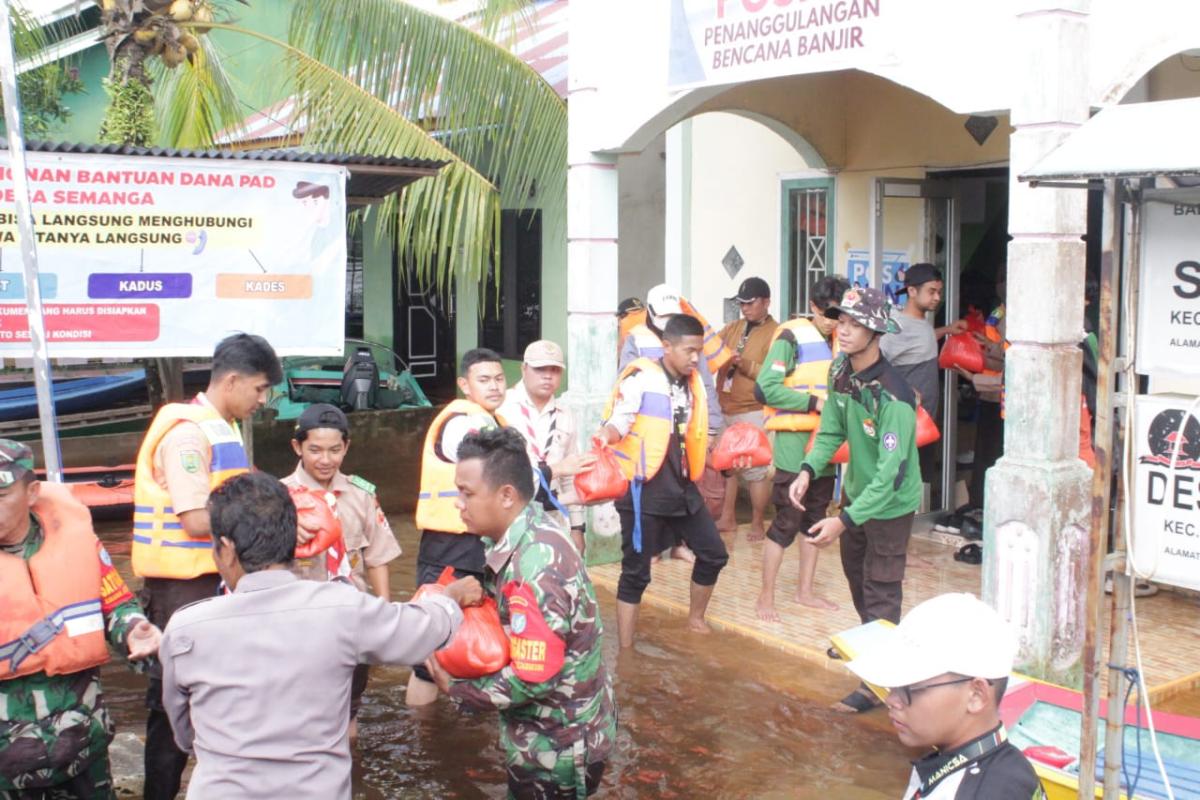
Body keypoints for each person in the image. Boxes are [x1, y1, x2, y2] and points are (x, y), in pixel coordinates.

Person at [159, 472, 476, 800]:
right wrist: (450, 598)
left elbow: (184, 732)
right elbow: (423, 629)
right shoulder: (341, 609)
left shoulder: (185, 630)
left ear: (226, 549)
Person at [425, 428, 617, 799]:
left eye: (467, 493)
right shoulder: (529, 531)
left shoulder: (535, 568)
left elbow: (535, 679)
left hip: (556, 749)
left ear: (506, 495)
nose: (458, 504)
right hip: (560, 731)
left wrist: (459, 690)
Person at [131, 332, 280, 800]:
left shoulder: (221, 427)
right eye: (259, 388)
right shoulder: (187, 434)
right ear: (231, 380)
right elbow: (195, 518)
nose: (263, 399)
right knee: (170, 706)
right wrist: (261, 516)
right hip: (182, 591)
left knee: (224, 696)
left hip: (218, 584)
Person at [0, 440, 161, 800]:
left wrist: (134, 630)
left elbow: (116, 604)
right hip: (7, 764)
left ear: (32, 493)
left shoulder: (75, 541)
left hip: (82, 745)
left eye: (1, 495)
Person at [788, 287, 921, 713]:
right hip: (857, 496)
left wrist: (843, 520)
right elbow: (831, 429)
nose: (842, 330)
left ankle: (878, 686)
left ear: (876, 332)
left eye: (854, 324)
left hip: (890, 506)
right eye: (840, 321)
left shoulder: (894, 397)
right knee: (859, 582)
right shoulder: (841, 370)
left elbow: (892, 474)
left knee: (881, 589)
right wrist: (808, 470)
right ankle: (875, 653)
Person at [599, 313, 730, 647]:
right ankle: (626, 650)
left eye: (699, 351)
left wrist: (727, 459)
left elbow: (696, 438)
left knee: (714, 554)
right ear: (667, 346)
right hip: (643, 492)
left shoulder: (694, 385)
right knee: (636, 573)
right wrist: (605, 435)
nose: (696, 358)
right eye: (689, 351)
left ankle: (696, 619)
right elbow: (619, 421)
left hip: (683, 490)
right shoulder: (642, 378)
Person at [281, 402, 403, 743]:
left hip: (352, 618)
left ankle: (349, 765)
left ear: (346, 447)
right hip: (299, 621)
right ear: (297, 447)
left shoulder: (361, 495)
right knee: (300, 706)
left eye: (335, 450)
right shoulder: (279, 498)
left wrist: (383, 612)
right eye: (315, 450)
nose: (325, 459)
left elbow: (377, 557)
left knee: (350, 706)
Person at [846, 593, 1046, 799]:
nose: (891, 700)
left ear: (976, 695)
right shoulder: (1008, 768)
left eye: (909, 687)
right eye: (893, 685)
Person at [408, 347, 507, 705]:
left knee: (481, 640)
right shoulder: (461, 423)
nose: (494, 386)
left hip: (480, 545)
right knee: (432, 650)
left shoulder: (493, 420)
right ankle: (423, 732)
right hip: (450, 545)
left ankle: (459, 721)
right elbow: (493, 471)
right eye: (484, 380)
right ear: (465, 384)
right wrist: (554, 471)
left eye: (499, 379)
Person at [754, 276, 849, 621]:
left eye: (840, 316)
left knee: (816, 519)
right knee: (786, 521)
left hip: (828, 447)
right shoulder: (791, 337)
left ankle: (804, 591)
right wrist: (813, 403)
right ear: (813, 307)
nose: (834, 323)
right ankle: (766, 596)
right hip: (795, 446)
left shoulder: (845, 341)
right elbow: (765, 388)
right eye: (828, 315)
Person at [619, 284, 727, 562]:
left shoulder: (691, 342)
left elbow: (705, 385)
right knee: (653, 495)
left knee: (684, 487)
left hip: (684, 430)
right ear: (650, 313)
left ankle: (679, 543)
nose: (667, 322)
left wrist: (713, 427)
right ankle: (653, 549)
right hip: (650, 433)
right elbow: (624, 386)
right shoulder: (636, 340)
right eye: (663, 316)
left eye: (672, 316)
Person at [498, 340, 594, 556]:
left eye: (555, 370)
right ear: (524, 369)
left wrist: (577, 527)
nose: (548, 376)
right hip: (512, 517)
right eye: (540, 369)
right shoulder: (503, 408)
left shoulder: (565, 415)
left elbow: (571, 475)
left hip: (554, 516)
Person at [880, 263, 967, 491]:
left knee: (917, 484)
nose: (937, 297)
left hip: (924, 422)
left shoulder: (922, 324)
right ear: (911, 291)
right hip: (906, 422)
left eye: (939, 291)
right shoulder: (896, 326)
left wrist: (947, 330)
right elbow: (878, 364)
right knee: (899, 483)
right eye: (931, 291)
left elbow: (920, 341)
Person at [714, 276, 778, 540]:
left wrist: (745, 365)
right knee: (727, 466)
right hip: (725, 407)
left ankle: (757, 523)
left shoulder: (777, 333)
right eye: (741, 303)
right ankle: (727, 517)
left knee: (755, 471)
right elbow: (712, 349)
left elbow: (776, 374)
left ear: (766, 302)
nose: (745, 308)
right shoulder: (733, 327)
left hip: (753, 408)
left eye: (750, 303)